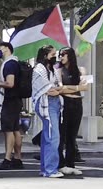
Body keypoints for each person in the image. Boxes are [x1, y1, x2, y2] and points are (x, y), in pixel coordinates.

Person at [32, 45, 64, 178]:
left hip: (55, 102)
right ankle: (51, 169)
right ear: (45, 56)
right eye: (53, 54)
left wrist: (59, 90)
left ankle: (46, 168)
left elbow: (58, 86)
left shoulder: (52, 69)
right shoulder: (39, 68)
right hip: (46, 103)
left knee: (48, 136)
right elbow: (49, 89)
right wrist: (58, 90)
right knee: (53, 136)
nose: (55, 57)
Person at [57, 47, 88, 177]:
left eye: (63, 55)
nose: (61, 57)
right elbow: (59, 88)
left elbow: (85, 87)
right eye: (59, 55)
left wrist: (68, 87)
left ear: (69, 55)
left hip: (77, 104)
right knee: (61, 135)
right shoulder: (58, 70)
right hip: (65, 104)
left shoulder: (81, 70)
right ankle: (61, 164)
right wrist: (75, 88)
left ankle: (71, 164)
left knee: (72, 136)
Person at [0, 42, 25, 170]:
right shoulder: (14, 62)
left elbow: (10, 83)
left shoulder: (9, 64)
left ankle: (8, 158)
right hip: (15, 100)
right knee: (15, 129)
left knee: (8, 130)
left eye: (0, 48)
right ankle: (17, 158)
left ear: (7, 49)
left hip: (9, 100)